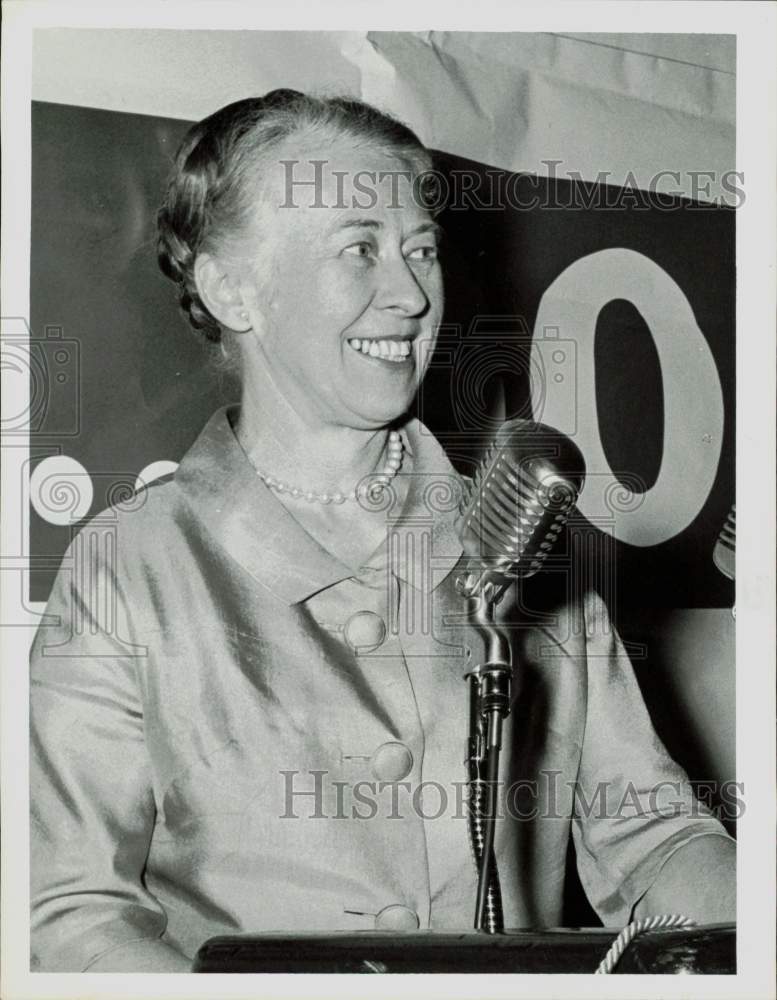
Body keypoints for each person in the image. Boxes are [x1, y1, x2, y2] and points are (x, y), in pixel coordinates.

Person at [29, 89, 736, 973]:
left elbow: (657, 844)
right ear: (233, 288)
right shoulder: (128, 568)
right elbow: (68, 917)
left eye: (420, 251)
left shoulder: (525, 539)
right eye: (359, 249)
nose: (409, 294)